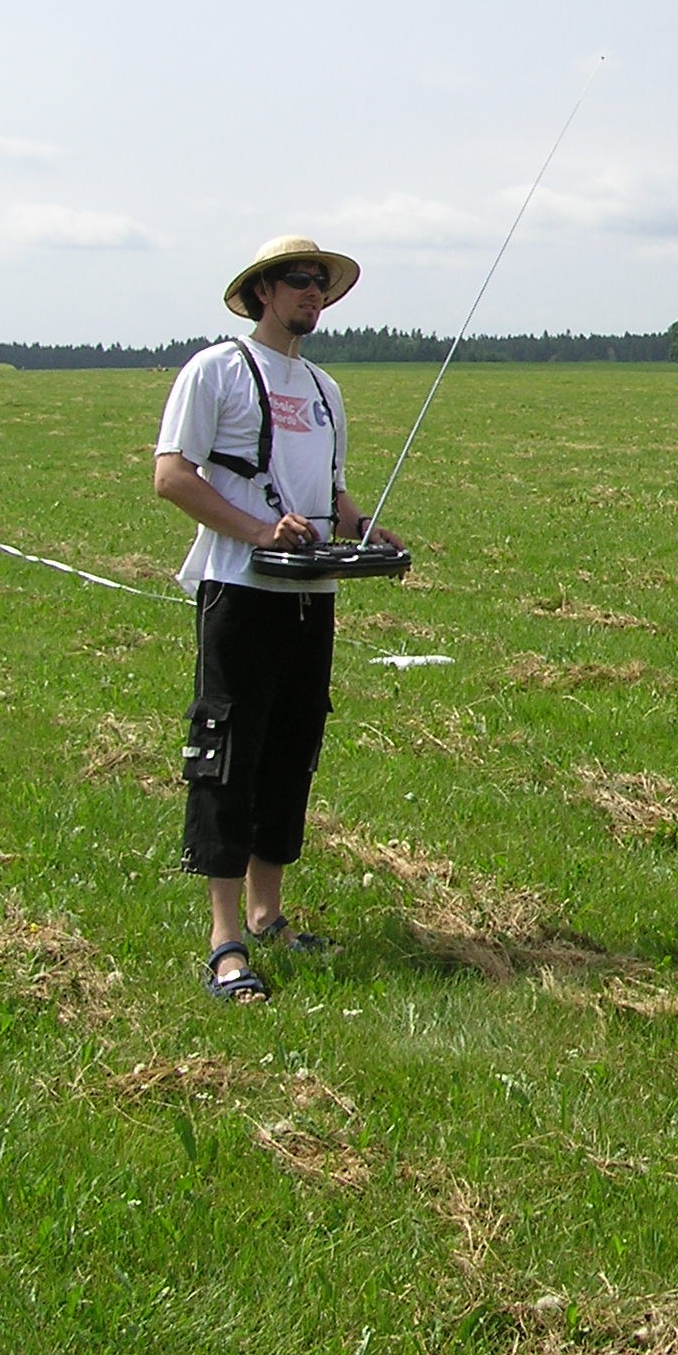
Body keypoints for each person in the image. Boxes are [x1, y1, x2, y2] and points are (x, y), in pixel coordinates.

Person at [152, 235, 404, 1003]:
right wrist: (260, 532)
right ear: (263, 291)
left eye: (321, 282)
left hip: (311, 596)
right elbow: (171, 476)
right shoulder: (217, 370)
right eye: (299, 280)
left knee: (293, 750)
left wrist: (365, 531)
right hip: (239, 592)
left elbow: (331, 491)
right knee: (231, 754)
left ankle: (268, 915)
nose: (313, 292)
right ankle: (225, 942)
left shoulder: (325, 389)